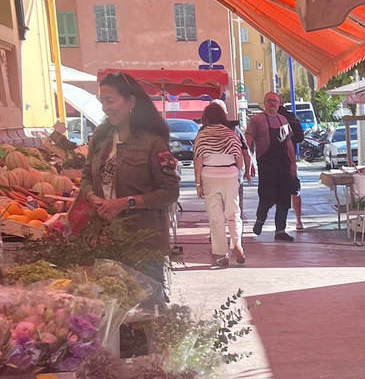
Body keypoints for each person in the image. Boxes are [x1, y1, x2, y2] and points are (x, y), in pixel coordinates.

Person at [78, 71, 180, 287]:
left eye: (110, 100)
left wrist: (125, 203)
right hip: (104, 239)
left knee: (146, 308)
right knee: (111, 305)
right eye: (102, 101)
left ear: (131, 101)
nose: (105, 107)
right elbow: (86, 176)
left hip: (142, 241)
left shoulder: (153, 142)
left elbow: (170, 192)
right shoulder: (100, 135)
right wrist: (92, 197)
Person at [193, 102, 246, 267]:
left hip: (209, 175)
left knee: (216, 218)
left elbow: (198, 161)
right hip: (230, 174)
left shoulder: (202, 135)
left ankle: (221, 254)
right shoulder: (231, 134)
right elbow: (239, 161)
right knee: (233, 212)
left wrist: (198, 184)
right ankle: (236, 243)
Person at [246, 92, 297, 241]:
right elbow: (248, 141)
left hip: (283, 164)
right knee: (266, 196)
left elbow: (288, 143)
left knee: (284, 198)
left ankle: (280, 231)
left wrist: (293, 163)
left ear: (279, 103)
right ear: (264, 103)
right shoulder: (256, 120)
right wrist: (249, 164)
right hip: (266, 164)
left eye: (276, 101)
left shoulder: (283, 120)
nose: (273, 103)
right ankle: (260, 220)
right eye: (270, 101)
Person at [277, 102, 305, 231]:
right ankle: (298, 221)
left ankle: (282, 222)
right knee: (295, 189)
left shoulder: (268, 118)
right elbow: (300, 137)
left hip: (274, 159)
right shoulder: (291, 117)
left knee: (280, 191)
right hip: (290, 157)